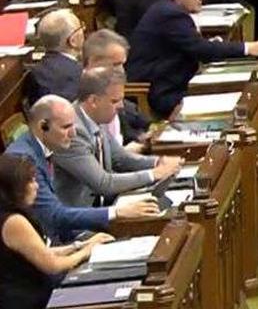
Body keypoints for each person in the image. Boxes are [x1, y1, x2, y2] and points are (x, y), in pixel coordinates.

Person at [3, 96, 158, 243]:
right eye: (66, 127)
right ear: (43, 126)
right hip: (50, 244)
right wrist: (116, 212)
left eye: (73, 125)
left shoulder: (43, 147)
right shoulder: (25, 159)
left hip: (66, 232)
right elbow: (53, 215)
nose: (73, 133)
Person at [126, 0, 258, 119]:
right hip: (163, 92)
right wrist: (248, 48)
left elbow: (192, 46)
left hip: (172, 83)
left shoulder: (167, 9)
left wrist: (206, 45)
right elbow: (202, 50)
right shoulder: (171, 14)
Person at [53, 67, 182, 208]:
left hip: (106, 205)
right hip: (81, 218)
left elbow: (120, 159)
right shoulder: (72, 131)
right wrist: (154, 174)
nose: (121, 106)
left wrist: (158, 162)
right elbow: (103, 183)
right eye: (115, 101)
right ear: (93, 101)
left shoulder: (96, 117)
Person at [0, 155, 113, 309]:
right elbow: (51, 265)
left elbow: (42, 252)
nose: (36, 186)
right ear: (14, 187)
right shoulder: (13, 222)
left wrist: (80, 245)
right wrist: (86, 252)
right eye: (31, 181)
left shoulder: (9, 216)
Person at [81, 29, 149, 147]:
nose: (121, 71)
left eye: (122, 64)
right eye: (115, 65)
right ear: (92, 62)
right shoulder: (80, 97)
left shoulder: (119, 97)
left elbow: (142, 124)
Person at [25, 9, 84, 103]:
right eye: (81, 27)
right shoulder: (82, 75)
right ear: (73, 41)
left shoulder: (35, 73)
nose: (84, 30)